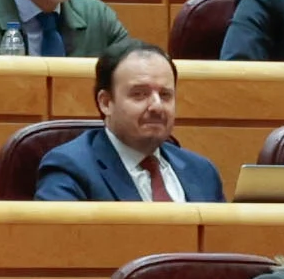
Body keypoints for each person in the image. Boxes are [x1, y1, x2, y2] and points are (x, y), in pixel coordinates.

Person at [32, 42, 228, 203]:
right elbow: (59, 247)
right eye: (139, 94)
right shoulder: (71, 168)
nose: (157, 106)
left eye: (165, 95)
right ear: (106, 103)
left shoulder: (202, 171)